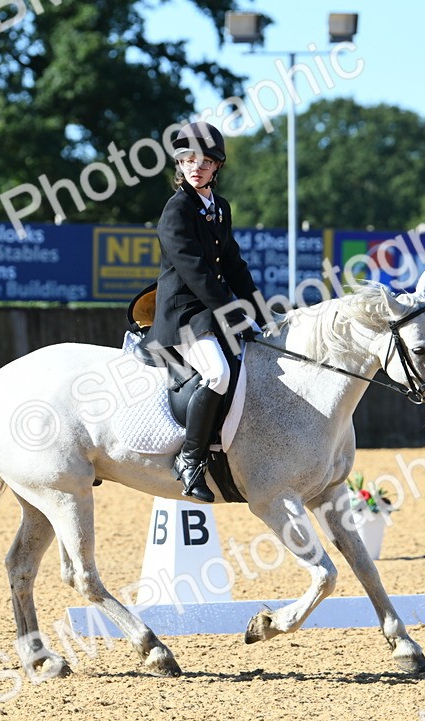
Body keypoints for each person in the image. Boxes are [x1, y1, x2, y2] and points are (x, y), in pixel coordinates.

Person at [146, 121, 264, 503]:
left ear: (217, 167)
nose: (195, 166)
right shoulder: (176, 210)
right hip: (183, 315)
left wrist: (262, 312)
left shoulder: (219, 208)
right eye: (187, 159)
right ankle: (190, 459)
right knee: (216, 374)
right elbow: (196, 272)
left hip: (210, 313)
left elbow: (233, 266)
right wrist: (233, 314)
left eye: (204, 161)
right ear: (179, 165)